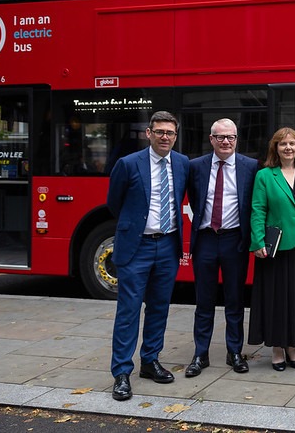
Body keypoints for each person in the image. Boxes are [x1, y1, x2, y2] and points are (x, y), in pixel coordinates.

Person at [107, 111, 189, 401]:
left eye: (170, 132)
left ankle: (150, 361)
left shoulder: (182, 164)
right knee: (128, 311)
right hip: (136, 247)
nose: (165, 137)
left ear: (175, 136)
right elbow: (114, 202)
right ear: (149, 133)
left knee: (159, 307)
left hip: (167, 246)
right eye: (160, 132)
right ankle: (121, 372)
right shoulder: (128, 164)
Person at [185, 119, 258, 377]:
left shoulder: (251, 167)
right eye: (220, 137)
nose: (226, 141)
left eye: (231, 137)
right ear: (211, 139)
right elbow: (193, 198)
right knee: (203, 300)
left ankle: (234, 352)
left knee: (235, 300)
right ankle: (200, 354)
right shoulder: (196, 167)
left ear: (237, 140)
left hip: (234, 240)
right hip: (205, 239)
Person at [248, 128, 295, 371]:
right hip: (276, 249)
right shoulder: (265, 176)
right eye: (283, 144)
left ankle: (293, 346)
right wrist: (258, 241)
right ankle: (278, 348)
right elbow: (258, 209)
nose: (288, 148)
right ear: (276, 148)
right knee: (277, 299)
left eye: (292, 143)